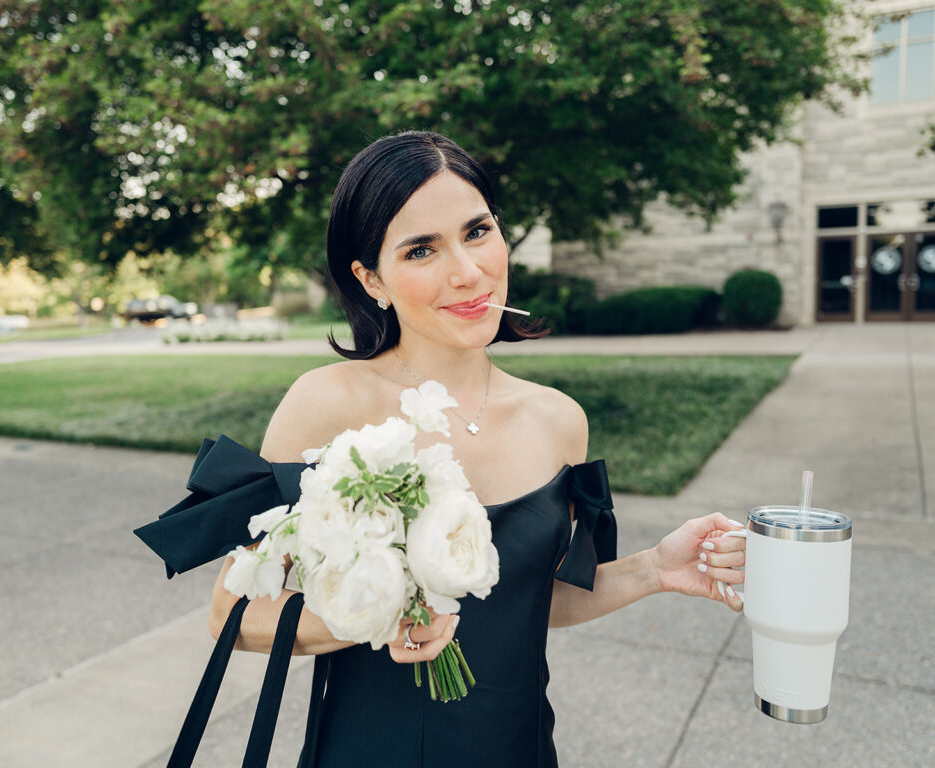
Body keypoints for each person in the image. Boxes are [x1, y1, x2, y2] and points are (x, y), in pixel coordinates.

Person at [207, 131, 747, 766]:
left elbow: (531, 601)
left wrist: (654, 569)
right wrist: (375, 618)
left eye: (478, 231)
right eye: (420, 250)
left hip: (517, 746)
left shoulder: (560, 421)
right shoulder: (326, 404)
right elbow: (232, 613)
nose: (467, 272)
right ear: (370, 278)